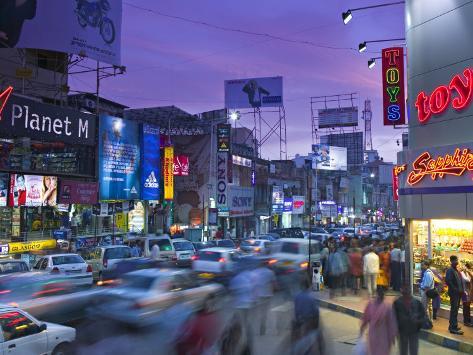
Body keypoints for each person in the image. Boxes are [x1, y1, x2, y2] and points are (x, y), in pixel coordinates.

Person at [360, 287, 397, 355]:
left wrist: (392, 336)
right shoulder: (371, 305)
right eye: (379, 293)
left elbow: (391, 323)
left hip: (382, 335)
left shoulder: (386, 306)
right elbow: (365, 318)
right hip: (376, 335)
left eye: (382, 294)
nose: (380, 295)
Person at [393, 284, 426, 355]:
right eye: (405, 291)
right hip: (402, 332)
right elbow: (393, 318)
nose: (406, 294)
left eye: (407, 291)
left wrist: (417, 321)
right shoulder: (397, 303)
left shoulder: (417, 303)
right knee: (403, 351)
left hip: (414, 331)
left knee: (413, 350)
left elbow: (423, 317)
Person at [253, 261, 276, 335]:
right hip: (267, 295)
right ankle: (262, 326)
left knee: (257, 311)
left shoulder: (254, 272)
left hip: (257, 295)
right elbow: (274, 284)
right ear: (266, 265)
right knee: (264, 312)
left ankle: (257, 326)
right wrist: (273, 290)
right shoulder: (270, 272)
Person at [445, 255, 464, 334]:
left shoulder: (455, 270)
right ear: (452, 261)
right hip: (454, 294)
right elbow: (448, 281)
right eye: (456, 260)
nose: (457, 261)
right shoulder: (450, 270)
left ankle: (453, 325)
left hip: (457, 294)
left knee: (455, 310)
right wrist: (456, 290)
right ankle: (453, 328)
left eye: (457, 260)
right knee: (454, 310)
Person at [420, 260, 435, 328]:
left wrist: (423, 289)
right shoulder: (428, 273)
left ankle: (427, 323)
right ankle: (429, 322)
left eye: (423, 265)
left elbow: (427, 285)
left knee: (425, 308)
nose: (421, 266)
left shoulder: (428, 273)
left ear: (427, 265)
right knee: (428, 307)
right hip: (427, 292)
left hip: (426, 292)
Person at [461, 262, 473, 327]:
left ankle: (468, 321)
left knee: (468, 307)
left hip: (468, 292)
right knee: (465, 306)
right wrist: (469, 272)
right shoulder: (462, 273)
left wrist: (469, 272)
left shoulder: (467, 273)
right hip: (464, 292)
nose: (469, 269)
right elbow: (468, 280)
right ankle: (466, 321)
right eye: (469, 268)